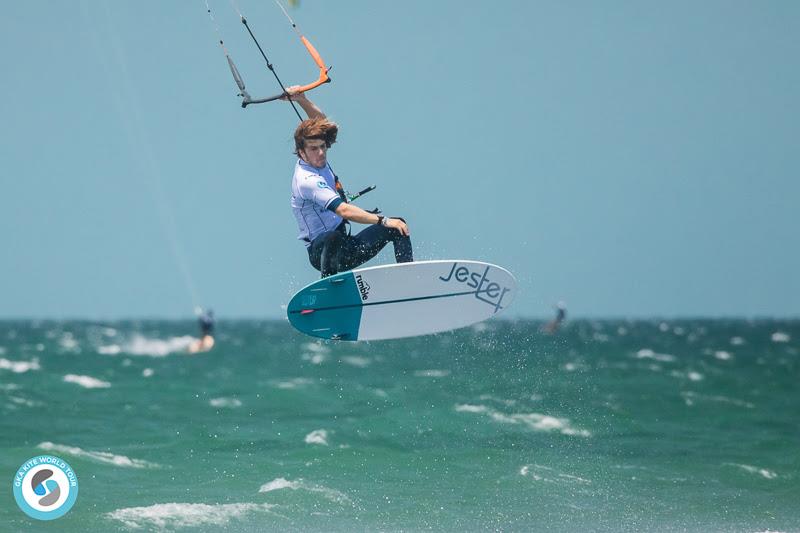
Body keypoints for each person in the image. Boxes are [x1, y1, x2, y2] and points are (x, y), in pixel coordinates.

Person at [284, 87, 413, 278]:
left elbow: (322, 123)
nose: (320, 153)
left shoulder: (317, 159)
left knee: (397, 226)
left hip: (347, 246)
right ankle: (328, 287)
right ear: (301, 152)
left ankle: (410, 280)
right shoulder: (306, 180)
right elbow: (343, 211)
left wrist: (302, 99)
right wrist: (382, 220)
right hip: (321, 253)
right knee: (334, 237)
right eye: (313, 149)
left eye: (322, 147)